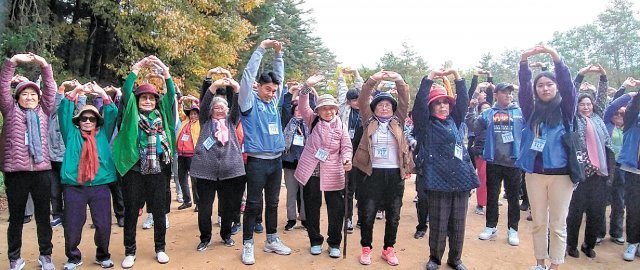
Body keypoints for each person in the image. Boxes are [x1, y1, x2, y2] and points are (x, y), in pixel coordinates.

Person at [516, 45, 577, 270]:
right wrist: (523, 62)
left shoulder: (566, 109)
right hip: (535, 174)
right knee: (539, 222)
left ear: (557, 87)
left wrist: (555, 57)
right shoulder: (531, 111)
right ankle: (540, 263)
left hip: (562, 175)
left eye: (549, 84)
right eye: (540, 85)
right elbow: (523, 89)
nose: (544, 88)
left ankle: (555, 265)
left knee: (558, 224)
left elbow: (570, 89)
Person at [112, 55, 177, 268]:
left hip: (158, 169)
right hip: (135, 169)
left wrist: (165, 71)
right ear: (138, 100)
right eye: (143, 98)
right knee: (131, 211)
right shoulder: (131, 113)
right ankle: (130, 251)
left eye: (151, 97)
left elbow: (171, 96)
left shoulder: (162, 114)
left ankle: (160, 248)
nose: (147, 101)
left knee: (159, 211)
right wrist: (137, 68)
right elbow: (127, 91)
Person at [413, 69, 479, 270]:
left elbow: (463, 101)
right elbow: (418, 107)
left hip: (460, 179)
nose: (442, 106)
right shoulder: (425, 125)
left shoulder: (455, 120)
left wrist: (458, 76)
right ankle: (435, 258)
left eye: (445, 103)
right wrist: (429, 78)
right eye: (437, 103)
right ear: (430, 107)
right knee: (439, 224)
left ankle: (455, 259)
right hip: (436, 180)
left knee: (458, 224)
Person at [1, 53, 57, 270]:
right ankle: (14, 259)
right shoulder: (9, 110)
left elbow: (51, 90)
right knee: (16, 218)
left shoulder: (44, 111)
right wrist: (13, 61)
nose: (30, 97)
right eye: (25, 94)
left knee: (43, 216)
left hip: (41, 170)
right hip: (16, 172)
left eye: (33, 94)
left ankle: (46, 256)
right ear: (17, 97)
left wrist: (44, 64)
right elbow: (3, 85)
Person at [238, 39, 290, 265]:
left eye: (273, 91)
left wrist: (278, 55)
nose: (271, 93)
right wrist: (261, 48)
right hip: (257, 162)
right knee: (253, 203)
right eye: (267, 89)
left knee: (273, 202)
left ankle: (271, 239)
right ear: (258, 86)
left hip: (276, 161)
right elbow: (247, 76)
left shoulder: (273, 102)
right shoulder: (248, 102)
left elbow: (280, 78)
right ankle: (248, 244)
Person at [353, 70, 412, 266]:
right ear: (374, 108)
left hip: (395, 174)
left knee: (394, 215)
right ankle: (366, 248)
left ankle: (388, 249)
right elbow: (362, 98)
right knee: (367, 213)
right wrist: (373, 80)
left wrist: (399, 80)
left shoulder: (399, 121)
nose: (384, 107)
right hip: (372, 173)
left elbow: (404, 100)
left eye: (388, 105)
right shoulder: (369, 120)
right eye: (380, 104)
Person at [58, 82, 118, 270]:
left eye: (92, 119)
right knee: (73, 224)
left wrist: (101, 93)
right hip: (74, 186)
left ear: (97, 121)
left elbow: (112, 113)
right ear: (78, 120)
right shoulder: (71, 134)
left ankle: (103, 255)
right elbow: (63, 112)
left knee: (103, 224)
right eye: (84, 118)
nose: (88, 121)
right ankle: (73, 257)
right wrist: (75, 92)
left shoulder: (103, 134)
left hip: (100, 185)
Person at [294, 75, 353, 258]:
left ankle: (334, 243)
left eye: (331, 109)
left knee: (335, 208)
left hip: (334, 171)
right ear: (318, 111)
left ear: (336, 110)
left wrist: (347, 159)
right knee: (312, 206)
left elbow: (346, 146)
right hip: (312, 170)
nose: (328, 112)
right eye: (324, 109)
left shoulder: (341, 126)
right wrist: (307, 87)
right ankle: (315, 240)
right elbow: (303, 105)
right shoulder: (312, 120)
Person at [190, 77, 246, 250]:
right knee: (205, 208)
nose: (219, 110)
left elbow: (237, 106)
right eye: (216, 108)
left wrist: (236, 88)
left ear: (227, 110)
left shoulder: (231, 121)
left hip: (230, 172)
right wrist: (214, 86)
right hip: (205, 172)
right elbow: (205, 101)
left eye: (222, 108)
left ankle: (226, 234)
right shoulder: (205, 121)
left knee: (228, 207)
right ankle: (205, 238)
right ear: (211, 110)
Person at [467, 81, 524, 246]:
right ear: (496, 94)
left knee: (513, 198)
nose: (508, 95)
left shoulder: (520, 112)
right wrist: (472, 106)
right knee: (492, 196)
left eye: (510, 93)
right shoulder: (489, 113)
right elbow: (473, 125)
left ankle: (513, 229)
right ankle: (490, 226)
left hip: (513, 163)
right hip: (493, 161)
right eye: (505, 92)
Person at [565, 64, 612, 259]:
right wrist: (580, 75)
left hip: (599, 174)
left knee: (596, 213)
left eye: (588, 104)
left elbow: (602, 97)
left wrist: (604, 77)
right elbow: (570, 95)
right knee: (575, 213)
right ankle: (571, 245)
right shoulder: (574, 119)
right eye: (582, 104)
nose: (585, 107)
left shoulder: (598, 117)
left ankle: (588, 244)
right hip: (581, 173)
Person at [602, 77, 637, 247]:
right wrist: (626, 92)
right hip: (607, 165)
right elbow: (611, 106)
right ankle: (599, 232)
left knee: (619, 200)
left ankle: (616, 232)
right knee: (601, 199)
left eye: (622, 113)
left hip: (622, 167)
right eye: (617, 113)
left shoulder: (630, 127)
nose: (618, 114)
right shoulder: (607, 124)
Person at [615, 80, 640, 261]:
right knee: (634, 208)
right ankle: (632, 242)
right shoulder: (633, 119)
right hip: (634, 171)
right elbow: (633, 106)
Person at [337, 67, 365, 232]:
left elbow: (364, 91)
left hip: (363, 155)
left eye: (358, 99)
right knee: (348, 188)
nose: (356, 102)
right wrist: (340, 76)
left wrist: (356, 75)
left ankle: (362, 217)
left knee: (363, 189)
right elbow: (341, 93)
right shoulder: (344, 110)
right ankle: (347, 218)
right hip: (347, 154)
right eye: (352, 100)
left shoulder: (366, 110)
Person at [282, 95, 307, 231]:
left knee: (304, 193)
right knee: (291, 192)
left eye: (301, 110)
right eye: (296, 110)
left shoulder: (308, 124)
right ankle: (291, 219)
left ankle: (304, 218)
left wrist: (309, 89)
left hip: (305, 164)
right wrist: (290, 92)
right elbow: (285, 106)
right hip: (289, 162)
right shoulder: (288, 123)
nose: (299, 112)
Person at [176, 95, 201, 211]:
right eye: (191, 113)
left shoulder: (200, 123)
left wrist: (195, 100)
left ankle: (198, 202)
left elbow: (204, 107)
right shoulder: (185, 121)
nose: (193, 115)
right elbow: (180, 112)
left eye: (195, 113)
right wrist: (180, 102)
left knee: (195, 179)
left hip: (193, 155)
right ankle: (187, 201)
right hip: (181, 154)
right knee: (182, 177)